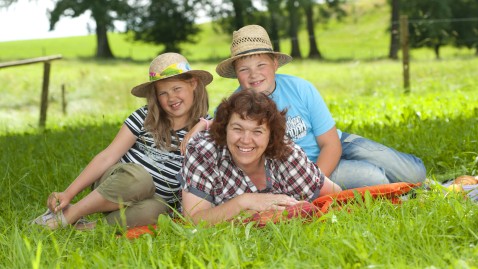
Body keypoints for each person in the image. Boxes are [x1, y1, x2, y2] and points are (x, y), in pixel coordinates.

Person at [181, 24, 426, 190]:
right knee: (374, 178)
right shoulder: (236, 105)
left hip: (337, 146)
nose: (254, 75)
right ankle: (390, 183)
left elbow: (331, 143)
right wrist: (201, 125)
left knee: (414, 174)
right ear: (236, 74)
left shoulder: (301, 88)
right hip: (302, 169)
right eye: (244, 69)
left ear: (275, 63)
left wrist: (317, 179)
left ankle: (414, 181)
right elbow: (218, 126)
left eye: (261, 65)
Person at [32, 52, 212, 229]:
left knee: (157, 211)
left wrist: (203, 125)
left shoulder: (206, 128)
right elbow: (108, 156)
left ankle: (89, 227)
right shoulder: (145, 117)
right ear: (155, 97)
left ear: (193, 84)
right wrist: (68, 193)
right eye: (163, 93)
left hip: (149, 201)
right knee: (141, 179)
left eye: (176, 89)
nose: (171, 98)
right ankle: (71, 214)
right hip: (121, 184)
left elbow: (227, 123)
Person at [180, 89, 342, 225]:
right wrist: (244, 202)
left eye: (257, 131)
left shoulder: (286, 153)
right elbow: (193, 219)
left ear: (270, 136)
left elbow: (336, 195)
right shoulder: (203, 152)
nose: (245, 140)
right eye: (237, 129)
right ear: (224, 128)